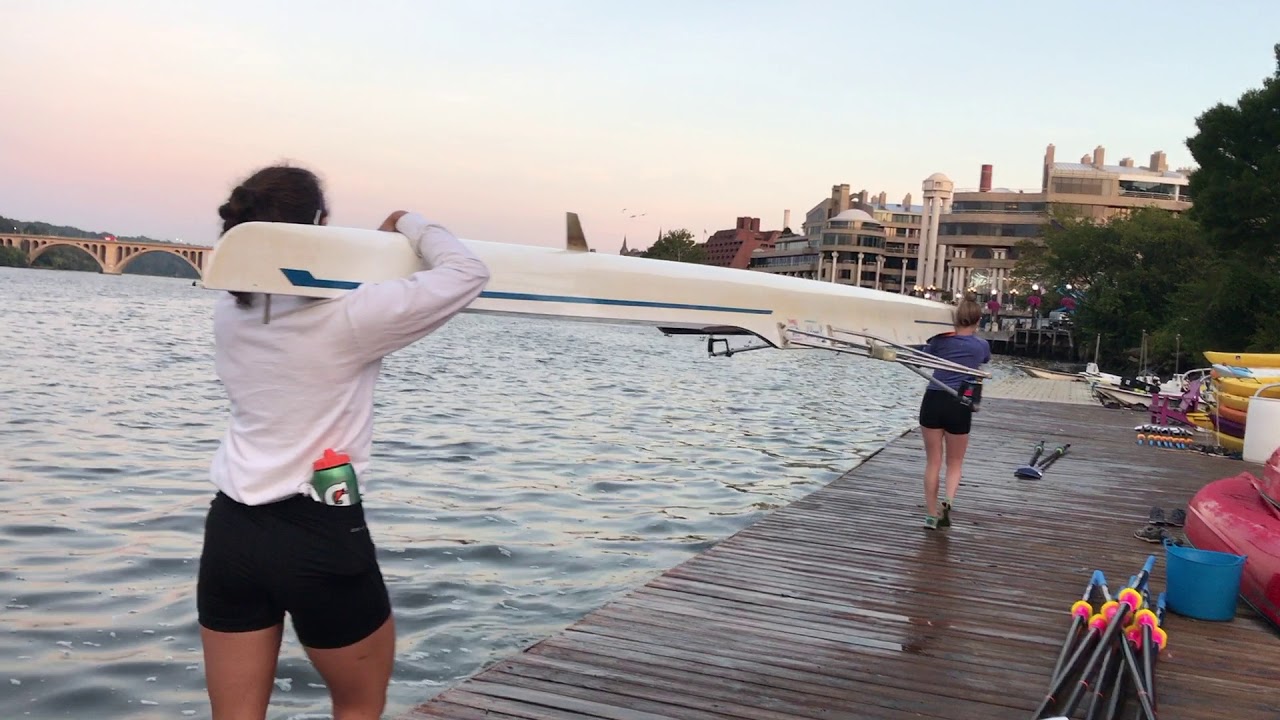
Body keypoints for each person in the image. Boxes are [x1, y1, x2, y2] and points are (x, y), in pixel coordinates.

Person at [197, 164, 490, 719]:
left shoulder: (228, 312)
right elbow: (468, 272)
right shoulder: (354, 316)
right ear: (320, 227)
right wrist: (408, 223)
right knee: (357, 706)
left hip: (231, 533)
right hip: (318, 532)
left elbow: (290, 294)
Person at [917, 297, 990, 530]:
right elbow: (984, 361)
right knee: (955, 462)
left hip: (934, 398)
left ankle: (930, 514)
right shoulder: (981, 346)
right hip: (960, 400)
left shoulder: (939, 341)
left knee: (933, 462)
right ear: (978, 320)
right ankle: (948, 500)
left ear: (954, 318)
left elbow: (925, 352)